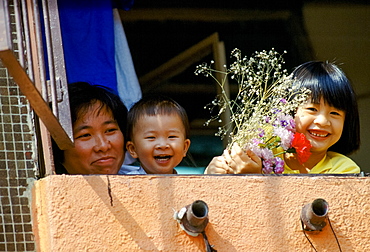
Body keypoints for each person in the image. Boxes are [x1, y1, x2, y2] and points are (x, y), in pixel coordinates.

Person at [205, 61, 361, 174]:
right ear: (290, 112)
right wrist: (215, 174)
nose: (322, 121)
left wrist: (254, 179)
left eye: (335, 113)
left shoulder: (345, 171)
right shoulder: (262, 148)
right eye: (312, 109)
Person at [53, 82, 128, 175]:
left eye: (110, 130)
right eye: (85, 135)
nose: (103, 146)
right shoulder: (43, 188)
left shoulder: (142, 180)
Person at [123, 95, 191, 174]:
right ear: (133, 149)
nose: (163, 145)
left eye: (172, 136)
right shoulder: (126, 184)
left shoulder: (187, 184)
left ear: (185, 147)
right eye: (151, 137)